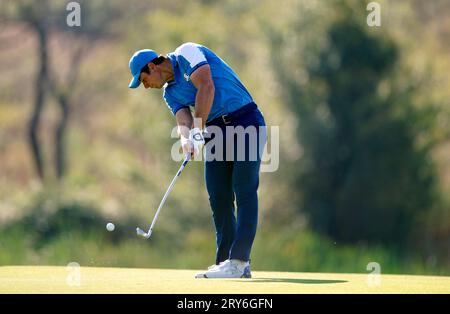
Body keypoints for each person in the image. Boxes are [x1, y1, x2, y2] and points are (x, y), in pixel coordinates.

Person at [128, 42, 266, 278]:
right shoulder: (169, 93)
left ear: (152, 66)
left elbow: (206, 86)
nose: (145, 86)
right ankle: (226, 262)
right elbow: (184, 121)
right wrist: (186, 140)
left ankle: (239, 260)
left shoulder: (186, 52)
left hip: (245, 120)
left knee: (244, 190)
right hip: (215, 130)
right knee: (218, 194)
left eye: (143, 79)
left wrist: (198, 130)